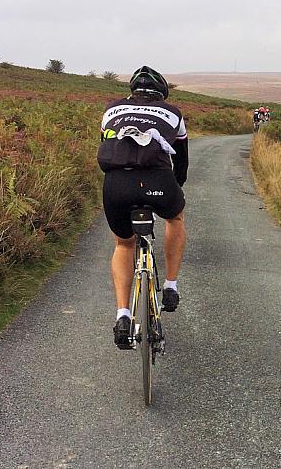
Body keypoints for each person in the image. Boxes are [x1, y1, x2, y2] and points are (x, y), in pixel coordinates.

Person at [97, 65, 189, 349]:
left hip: (117, 184)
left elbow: (107, 147)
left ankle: (123, 315)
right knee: (175, 218)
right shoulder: (173, 113)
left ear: (132, 91)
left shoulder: (111, 110)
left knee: (123, 244)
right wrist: (175, 188)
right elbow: (181, 161)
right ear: (161, 93)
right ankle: (171, 286)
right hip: (158, 180)